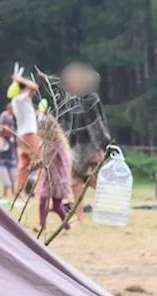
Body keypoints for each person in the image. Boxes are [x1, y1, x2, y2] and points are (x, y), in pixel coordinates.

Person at [59, 62, 112, 213]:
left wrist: (102, 146)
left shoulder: (91, 99)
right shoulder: (71, 100)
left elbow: (96, 125)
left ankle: (109, 203)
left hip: (90, 147)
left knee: (89, 179)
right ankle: (80, 215)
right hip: (77, 147)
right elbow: (67, 125)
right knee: (77, 180)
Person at [35, 114, 72, 235]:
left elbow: (66, 162)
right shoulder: (45, 144)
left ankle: (67, 225)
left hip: (58, 179)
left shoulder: (58, 144)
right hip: (48, 178)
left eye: (41, 129)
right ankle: (42, 226)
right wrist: (35, 166)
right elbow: (45, 161)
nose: (38, 132)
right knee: (42, 200)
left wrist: (65, 180)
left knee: (57, 205)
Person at [10, 74, 42, 196]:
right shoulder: (23, 98)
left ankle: (18, 191)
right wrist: (19, 79)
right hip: (29, 134)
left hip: (21, 135)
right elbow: (34, 87)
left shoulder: (15, 101)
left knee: (23, 164)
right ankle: (39, 190)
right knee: (39, 162)